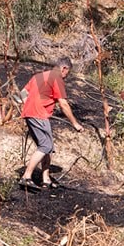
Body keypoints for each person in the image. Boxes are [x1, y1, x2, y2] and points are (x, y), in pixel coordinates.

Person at [19, 57, 84, 191]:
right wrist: (75, 123)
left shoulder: (39, 76)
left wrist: (30, 105)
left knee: (46, 147)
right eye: (68, 73)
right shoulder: (56, 78)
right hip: (39, 115)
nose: (66, 76)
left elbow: (22, 94)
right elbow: (63, 104)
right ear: (64, 69)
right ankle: (26, 177)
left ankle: (46, 179)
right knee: (45, 145)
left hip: (30, 114)